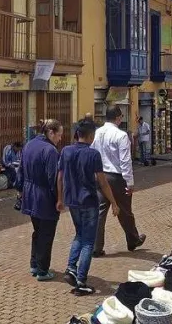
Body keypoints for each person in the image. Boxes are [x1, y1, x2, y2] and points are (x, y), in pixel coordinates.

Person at [59, 119, 118, 296]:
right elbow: (103, 182)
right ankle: (81, 281)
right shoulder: (93, 155)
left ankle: (71, 268)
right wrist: (114, 203)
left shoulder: (66, 151)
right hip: (89, 201)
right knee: (88, 242)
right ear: (91, 136)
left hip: (72, 202)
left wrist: (60, 199)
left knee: (79, 234)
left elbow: (60, 177)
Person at [91, 107, 147, 256]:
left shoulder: (97, 133)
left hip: (100, 175)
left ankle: (96, 247)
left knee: (100, 212)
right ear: (117, 118)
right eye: (121, 116)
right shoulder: (121, 135)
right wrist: (129, 182)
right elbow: (125, 161)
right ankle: (133, 239)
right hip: (117, 177)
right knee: (125, 211)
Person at [20, 119, 65, 281]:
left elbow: (20, 172)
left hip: (29, 194)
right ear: (51, 132)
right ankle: (42, 270)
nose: (60, 139)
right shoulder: (50, 151)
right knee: (46, 234)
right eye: (59, 135)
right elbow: (54, 179)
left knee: (38, 231)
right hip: (44, 197)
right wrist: (59, 199)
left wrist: (20, 191)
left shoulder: (29, 145)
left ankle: (35, 263)